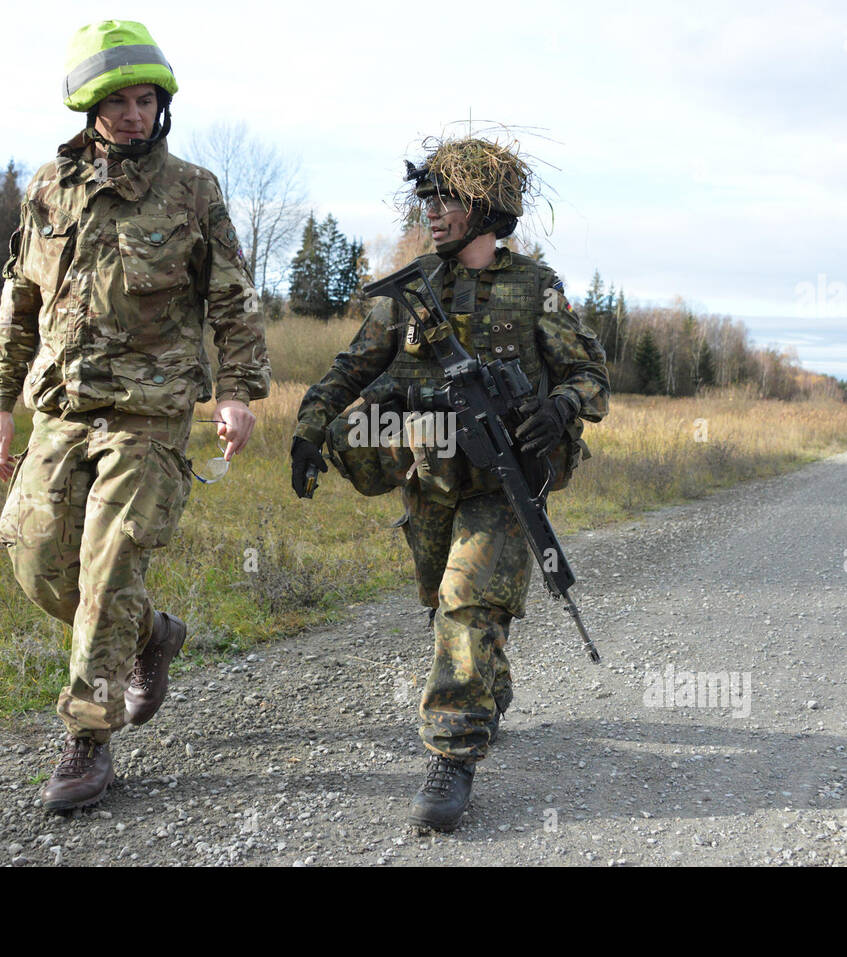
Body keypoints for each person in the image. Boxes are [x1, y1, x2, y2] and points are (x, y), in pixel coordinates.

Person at [0, 20, 269, 812]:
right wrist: (0, 403)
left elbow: (233, 301)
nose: (135, 114)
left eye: (147, 100)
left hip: (151, 413)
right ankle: (151, 636)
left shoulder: (194, 192)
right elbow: (20, 302)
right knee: (37, 559)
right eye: (119, 101)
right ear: (89, 107)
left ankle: (87, 738)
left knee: (109, 572)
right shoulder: (46, 189)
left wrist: (235, 392)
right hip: (62, 410)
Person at [290, 136, 608, 831]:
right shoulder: (409, 292)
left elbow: (592, 378)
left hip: (502, 480)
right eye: (426, 198)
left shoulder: (535, 287)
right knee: (446, 604)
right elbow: (353, 368)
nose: (432, 212)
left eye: (448, 199)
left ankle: (452, 752)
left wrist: (561, 407)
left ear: (489, 210)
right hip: (427, 477)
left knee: (467, 598)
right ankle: (488, 687)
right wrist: (310, 426)